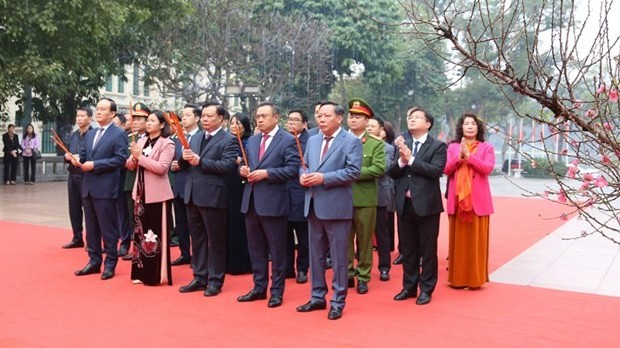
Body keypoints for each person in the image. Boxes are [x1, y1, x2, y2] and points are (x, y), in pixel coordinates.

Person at [296, 101, 362, 320]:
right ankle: (317, 297)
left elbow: (353, 172)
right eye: (320, 116)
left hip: (336, 206)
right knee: (315, 256)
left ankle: (338, 300)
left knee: (338, 257)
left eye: (326, 116)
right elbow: (303, 164)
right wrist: (302, 175)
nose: (321, 120)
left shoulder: (351, 141)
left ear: (339, 118)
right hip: (313, 203)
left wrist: (325, 178)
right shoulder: (313, 140)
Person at [237, 102, 299, 308]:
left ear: (276, 118)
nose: (260, 120)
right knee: (256, 248)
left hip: (274, 202)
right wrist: (244, 171)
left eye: (264, 116)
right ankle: (259, 287)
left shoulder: (288, 140)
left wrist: (267, 173)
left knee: (277, 250)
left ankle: (277, 291)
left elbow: (292, 169)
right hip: (251, 200)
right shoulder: (253, 141)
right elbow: (249, 165)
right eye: (257, 116)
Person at [178, 101, 238, 297]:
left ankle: (215, 280)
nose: (204, 119)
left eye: (209, 116)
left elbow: (228, 166)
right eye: (203, 115)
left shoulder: (228, 139)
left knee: (215, 240)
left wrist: (200, 161)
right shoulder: (195, 138)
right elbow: (186, 164)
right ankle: (199, 276)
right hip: (192, 194)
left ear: (220, 118)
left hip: (213, 196)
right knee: (197, 239)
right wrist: (184, 158)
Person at [389, 106, 446, 305]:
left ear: (428, 124)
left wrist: (410, 159)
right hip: (404, 205)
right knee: (409, 249)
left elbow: (436, 170)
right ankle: (409, 287)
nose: (412, 120)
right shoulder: (403, 144)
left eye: (418, 117)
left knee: (428, 250)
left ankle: (426, 289)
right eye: (411, 117)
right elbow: (392, 173)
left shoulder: (438, 146)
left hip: (427, 206)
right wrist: (402, 162)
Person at [72, 98, 129, 280]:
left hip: (106, 188)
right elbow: (83, 156)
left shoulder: (118, 134)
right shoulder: (90, 133)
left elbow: (120, 160)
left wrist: (95, 164)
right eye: (97, 109)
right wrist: (74, 160)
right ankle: (94, 261)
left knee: (108, 228)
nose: (98, 112)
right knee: (91, 228)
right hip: (88, 188)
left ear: (112, 114)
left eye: (102, 109)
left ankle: (110, 263)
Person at [444, 113, 494, 289]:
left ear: (479, 128)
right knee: (458, 243)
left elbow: (487, 168)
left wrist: (470, 157)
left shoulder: (486, 147)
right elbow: (446, 169)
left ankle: (475, 280)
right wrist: (459, 156)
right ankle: (457, 279)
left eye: (473, 123)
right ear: (461, 128)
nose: (470, 126)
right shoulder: (453, 147)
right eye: (466, 124)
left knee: (476, 243)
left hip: (477, 202)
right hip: (458, 201)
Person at [125, 110, 175, 286]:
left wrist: (140, 158)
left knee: (154, 235)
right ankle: (139, 271)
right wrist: (133, 157)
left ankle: (154, 274)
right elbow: (130, 165)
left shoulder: (167, 143)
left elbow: (162, 168)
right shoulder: (141, 140)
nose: (148, 123)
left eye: (153, 121)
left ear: (162, 125)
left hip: (158, 194)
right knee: (139, 233)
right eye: (148, 121)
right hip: (139, 192)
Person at [345, 98, 386, 294]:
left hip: (365, 199)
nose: (353, 119)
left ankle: (363, 276)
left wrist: (350, 173)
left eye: (358, 117)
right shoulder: (340, 141)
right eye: (351, 116)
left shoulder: (374, 144)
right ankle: (347, 274)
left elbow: (378, 168)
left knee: (364, 240)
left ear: (367, 120)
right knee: (344, 239)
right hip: (341, 198)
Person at [170, 103, 201, 266]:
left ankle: (198, 256)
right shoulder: (176, 139)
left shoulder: (201, 137)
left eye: (188, 115)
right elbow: (171, 160)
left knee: (195, 225)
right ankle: (184, 253)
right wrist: (173, 165)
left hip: (195, 186)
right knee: (180, 223)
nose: (184, 118)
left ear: (197, 118)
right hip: (179, 185)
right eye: (183, 115)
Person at [366, 115, 395, 281]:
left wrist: (359, 171)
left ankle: (384, 267)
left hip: (378, 194)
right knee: (360, 233)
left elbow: (383, 168)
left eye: (372, 126)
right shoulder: (357, 144)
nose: (369, 128)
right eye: (367, 125)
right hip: (359, 194)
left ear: (381, 130)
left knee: (381, 233)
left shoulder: (387, 148)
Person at [121, 102, 151, 259]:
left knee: (147, 218)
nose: (136, 122)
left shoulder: (154, 138)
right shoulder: (130, 138)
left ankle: (148, 248)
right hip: (131, 181)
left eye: (141, 119)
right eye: (135, 119)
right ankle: (136, 249)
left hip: (148, 183)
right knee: (133, 218)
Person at [225, 112, 252, 274]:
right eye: (232, 124)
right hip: (226, 185)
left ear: (245, 127)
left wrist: (240, 161)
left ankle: (242, 263)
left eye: (238, 124)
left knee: (240, 224)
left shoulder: (249, 142)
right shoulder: (227, 141)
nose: (234, 127)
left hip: (241, 186)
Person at [62, 107, 92, 249]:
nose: (79, 118)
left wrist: (81, 159)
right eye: (77, 116)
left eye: (82, 116)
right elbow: (68, 152)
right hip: (72, 175)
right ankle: (77, 237)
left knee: (89, 209)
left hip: (86, 176)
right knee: (73, 208)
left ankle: (91, 239)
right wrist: (67, 157)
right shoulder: (74, 135)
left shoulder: (93, 134)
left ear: (89, 119)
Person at [285, 109, 310, 284]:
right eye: (289, 119)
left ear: (304, 124)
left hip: (301, 192)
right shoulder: (283, 140)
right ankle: (286, 268)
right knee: (284, 234)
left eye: (296, 120)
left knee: (303, 236)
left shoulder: (310, 141)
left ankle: (302, 268)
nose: (292, 123)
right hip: (282, 193)